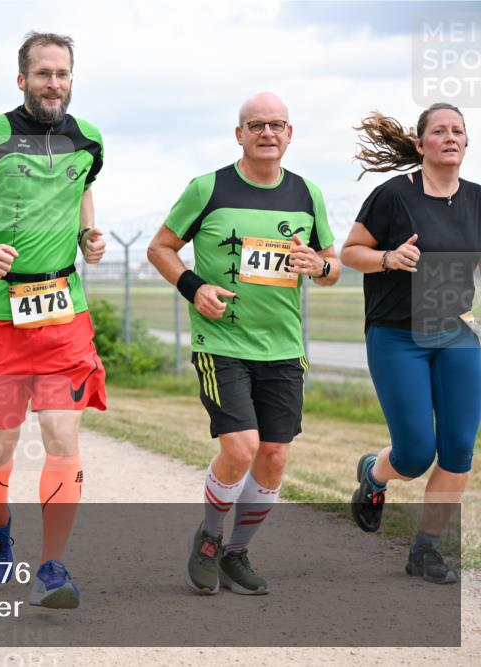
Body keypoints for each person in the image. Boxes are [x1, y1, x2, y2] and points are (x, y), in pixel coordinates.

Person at [0, 32, 107, 609]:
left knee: (62, 434)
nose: (52, 83)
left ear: (71, 80)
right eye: (42, 74)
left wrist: (88, 234)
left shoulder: (90, 140)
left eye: (61, 74)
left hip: (64, 313)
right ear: (22, 80)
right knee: (1, 444)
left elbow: (83, 187)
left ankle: (53, 568)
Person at [147, 92, 340, 596]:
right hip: (222, 341)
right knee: (241, 447)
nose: (267, 133)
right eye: (256, 125)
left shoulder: (307, 195)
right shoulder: (207, 188)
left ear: (290, 133)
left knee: (273, 456)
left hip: (283, 346)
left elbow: (331, 264)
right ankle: (210, 538)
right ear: (240, 134)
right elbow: (160, 247)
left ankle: (237, 553)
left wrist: (318, 266)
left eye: (277, 124)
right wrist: (195, 287)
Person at [342, 103, 480, 584]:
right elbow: (350, 252)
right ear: (420, 144)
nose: (450, 137)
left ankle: (426, 550)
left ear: (466, 142)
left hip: (456, 333)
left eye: (457, 131)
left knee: (459, 449)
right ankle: (375, 475)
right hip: (397, 333)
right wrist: (387, 257)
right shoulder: (393, 197)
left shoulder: (478, 200)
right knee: (416, 454)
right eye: (439, 131)